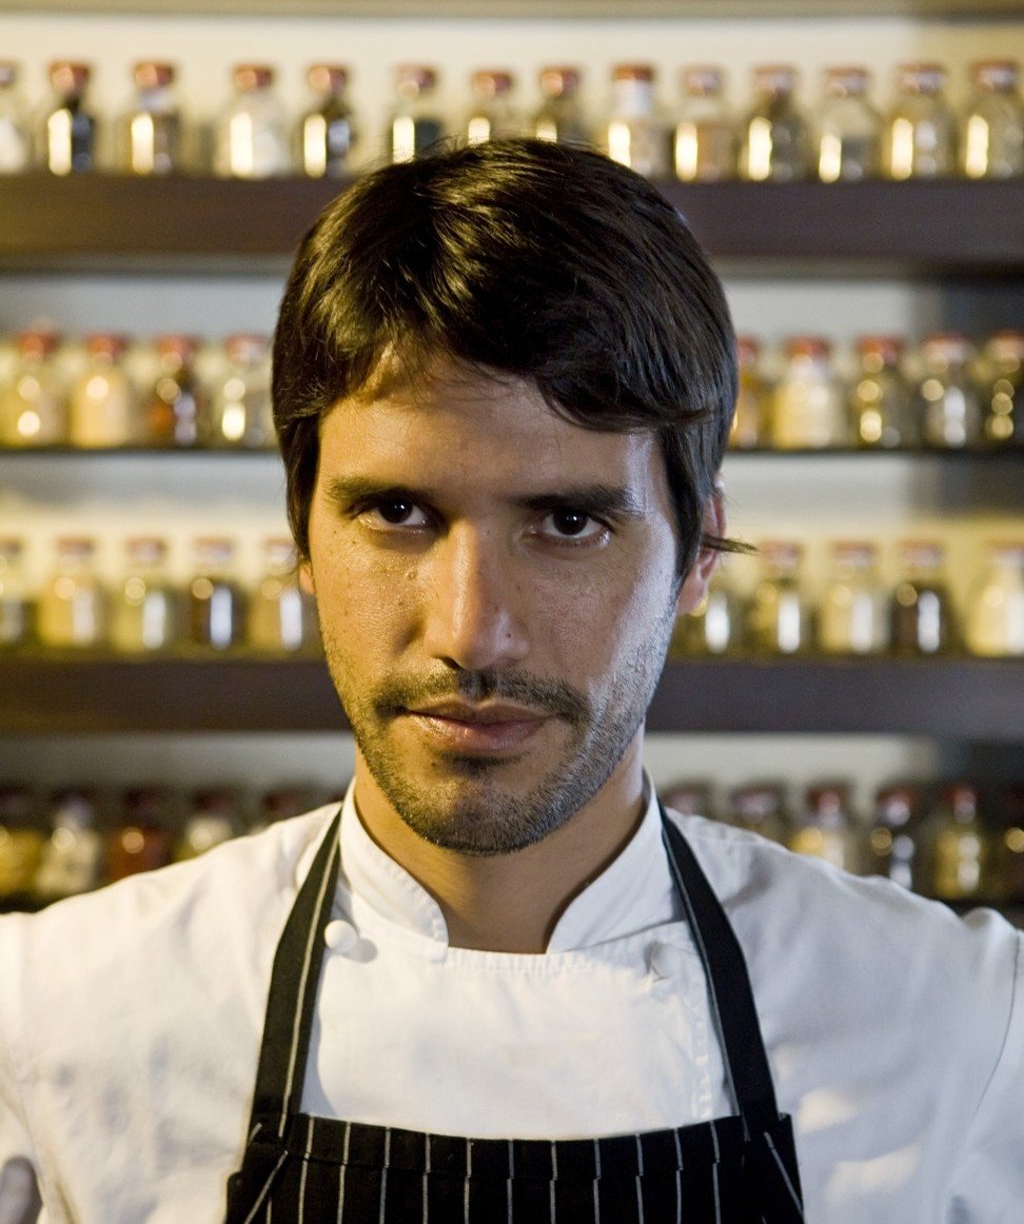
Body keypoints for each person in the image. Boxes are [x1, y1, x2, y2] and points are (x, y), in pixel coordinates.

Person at [0, 139, 1020, 1224]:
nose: (470, 633)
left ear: (697, 556)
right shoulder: (57, 1019)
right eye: (396, 513)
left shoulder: (955, 1024)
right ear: (299, 539)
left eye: (568, 522)